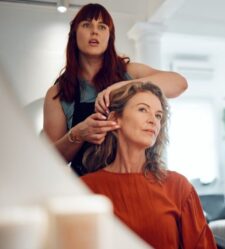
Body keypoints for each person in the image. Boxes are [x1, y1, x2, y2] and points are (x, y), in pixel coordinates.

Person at [43, 3, 188, 176]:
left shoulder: (129, 72)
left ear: (109, 37)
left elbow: (179, 84)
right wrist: (77, 134)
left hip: (135, 181)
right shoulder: (58, 93)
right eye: (87, 24)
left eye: (102, 26)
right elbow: (50, 159)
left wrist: (125, 86)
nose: (94, 31)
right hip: (88, 188)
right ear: (74, 34)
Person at [80, 82, 217, 249]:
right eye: (143, 109)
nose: (153, 120)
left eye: (158, 115)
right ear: (115, 119)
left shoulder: (178, 186)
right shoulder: (86, 188)